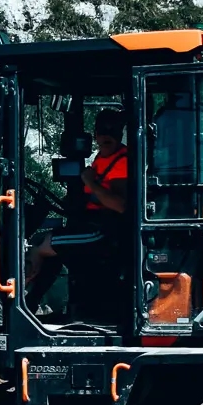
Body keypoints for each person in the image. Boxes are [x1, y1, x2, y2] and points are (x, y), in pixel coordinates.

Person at [25, 108, 129, 310]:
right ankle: (30, 304)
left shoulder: (121, 162)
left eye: (112, 130)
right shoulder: (103, 158)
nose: (107, 135)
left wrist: (89, 182)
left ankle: (15, 302)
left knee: (41, 247)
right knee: (46, 245)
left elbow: (120, 205)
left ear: (120, 132)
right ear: (95, 135)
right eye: (102, 130)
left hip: (104, 233)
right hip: (95, 225)